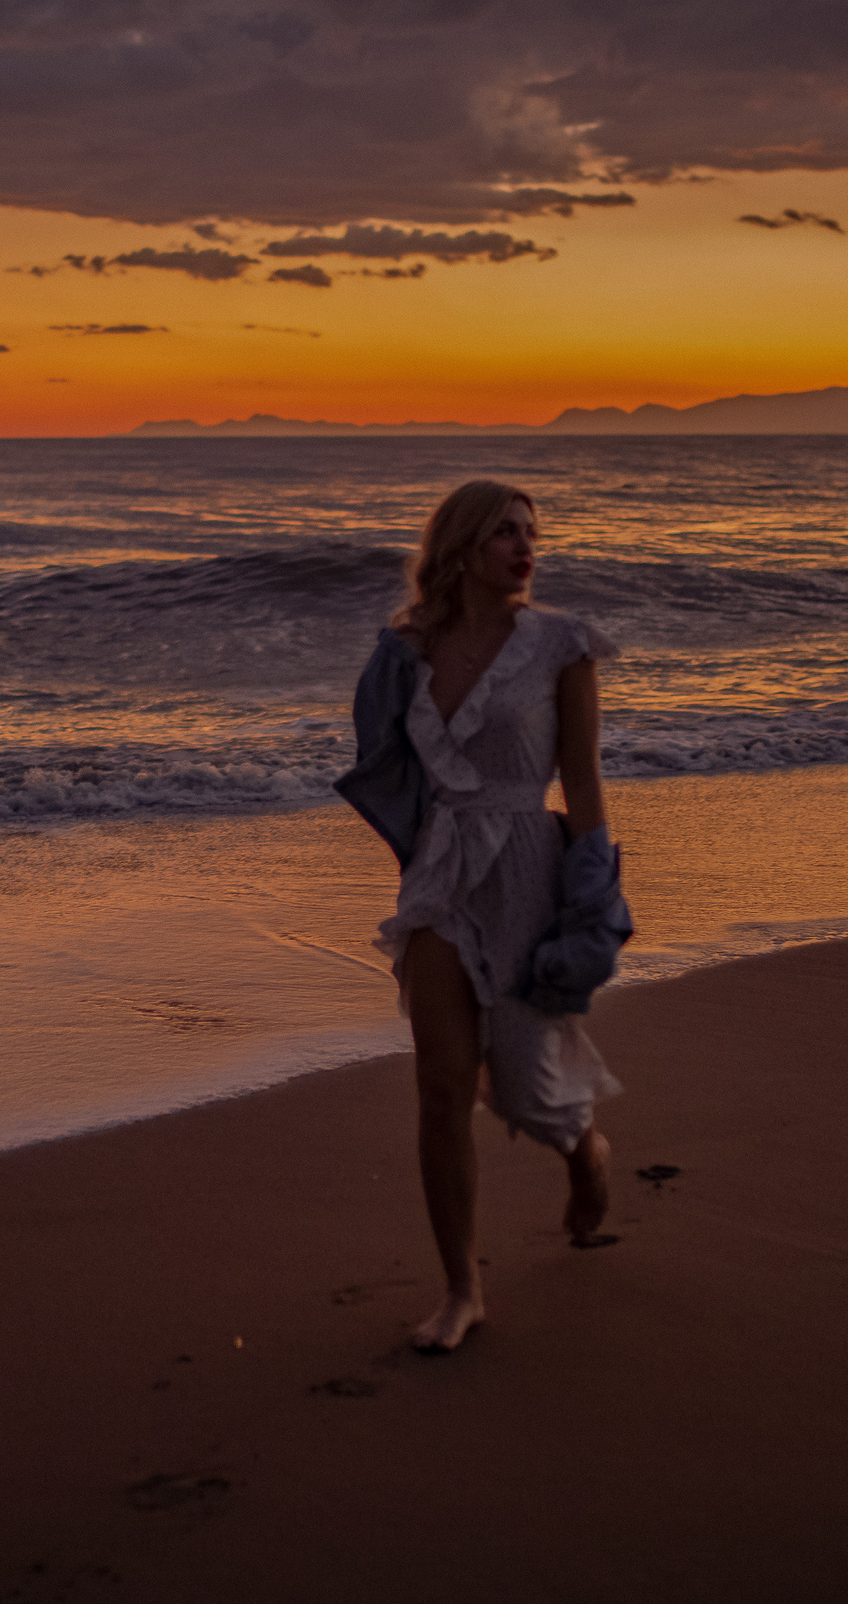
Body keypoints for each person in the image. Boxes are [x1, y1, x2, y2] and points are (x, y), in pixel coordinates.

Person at [335, 479, 623, 1353]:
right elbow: (383, 755)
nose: (525, 546)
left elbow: (581, 784)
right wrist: (413, 850)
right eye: (504, 531)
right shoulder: (407, 649)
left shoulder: (561, 646)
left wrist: (594, 895)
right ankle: (462, 1288)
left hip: (529, 870)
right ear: (461, 545)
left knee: (533, 1088)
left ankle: (586, 1152)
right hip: (440, 872)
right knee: (441, 1086)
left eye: (532, 532)